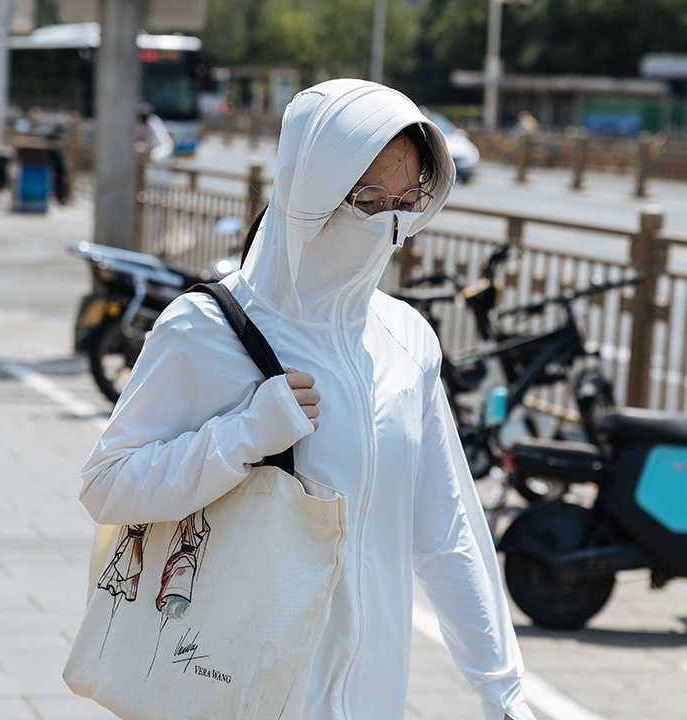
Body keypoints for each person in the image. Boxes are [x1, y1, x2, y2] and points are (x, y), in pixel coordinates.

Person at [80, 79, 536, 720]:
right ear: (310, 193)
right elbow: (107, 486)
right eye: (367, 200)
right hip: (233, 695)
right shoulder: (204, 330)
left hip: (372, 704)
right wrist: (242, 435)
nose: (387, 225)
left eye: (406, 202)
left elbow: (446, 528)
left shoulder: (407, 340)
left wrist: (502, 690)